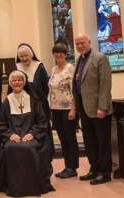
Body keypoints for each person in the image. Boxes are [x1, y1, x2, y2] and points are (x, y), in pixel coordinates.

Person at [0, 70, 53, 197]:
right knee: (10, 146)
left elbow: (42, 121)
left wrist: (32, 134)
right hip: (13, 136)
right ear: (10, 83)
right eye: (14, 80)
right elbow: (1, 123)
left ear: (24, 82)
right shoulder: (7, 102)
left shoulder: (33, 100)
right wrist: (10, 134)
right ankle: (13, 186)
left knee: (29, 147)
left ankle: (32, 186)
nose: (17, 82)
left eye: (19, 80)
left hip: (30, 135)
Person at [73, 33, 112, 185]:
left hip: (98, 109)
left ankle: (105, 172)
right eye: (77, 44)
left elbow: (105, 84)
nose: (80, 46)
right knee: (89, 141)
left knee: (102, 141)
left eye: (82, 43)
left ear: (89, 42)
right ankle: (94, 168)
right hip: (84, 107)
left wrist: (102, 107)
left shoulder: (100, 58)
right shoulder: (79, 59)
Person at [14, 43, 54, 187]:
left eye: (26, 55)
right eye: (21, 56)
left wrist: (39, 102)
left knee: (42, 134)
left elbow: (45, 87)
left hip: (40, 106)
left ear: (31, 55)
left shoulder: (40, 66)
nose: (24, 58)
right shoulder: (17, 68)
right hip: (23, 108)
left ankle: (45, 165)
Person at [48, 43, 79, 178]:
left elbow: (74, 90)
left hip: (68, 109)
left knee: (70, 138)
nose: (58, 54)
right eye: (56, 52)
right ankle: (67, 166)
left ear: (66, 54)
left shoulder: (70, 68)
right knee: (62, 138)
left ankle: (73, 167)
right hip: (55, 108)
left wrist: (73, 109)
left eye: (61, 52)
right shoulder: (53, 69)